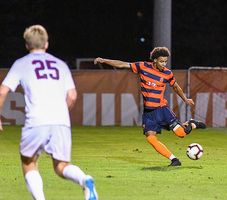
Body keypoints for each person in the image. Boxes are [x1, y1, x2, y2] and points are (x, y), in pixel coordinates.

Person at [0, 25, 98, 200]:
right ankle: (84, 179)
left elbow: (2, 91)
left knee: (28, 163)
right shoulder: (60, 64)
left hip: (37, 119)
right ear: (46, 44)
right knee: (61, 166)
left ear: (27, 45)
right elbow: (73, 95)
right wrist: (59, 112)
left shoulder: (21, 63)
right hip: (61, 121)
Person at [94, 47, 206, 166]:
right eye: (161, 61)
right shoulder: (143, 67)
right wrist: (104, 60)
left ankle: (192, 124)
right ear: (155, 60)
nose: (164, 64)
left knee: (180, 133)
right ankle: (174, 160)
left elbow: (176, 87)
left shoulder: (167, 73)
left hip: (162, 109)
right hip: (148, 113)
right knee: (150, 138)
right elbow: (123, 64)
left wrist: (185, 99)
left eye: (165, 61)